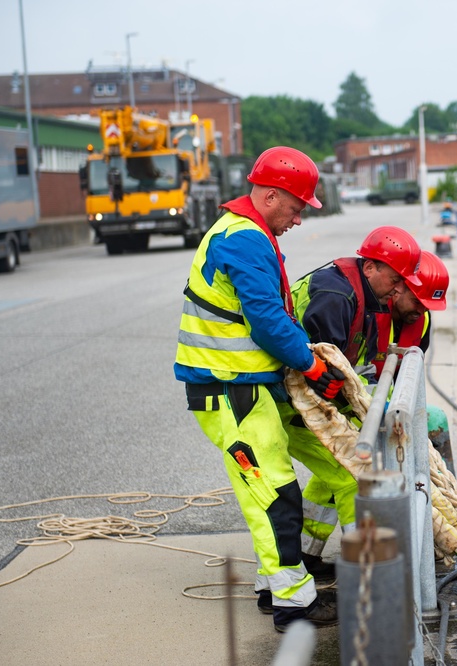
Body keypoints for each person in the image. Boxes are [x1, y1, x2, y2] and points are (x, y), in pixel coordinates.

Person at [173, 146, 346, 634]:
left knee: (267, 494)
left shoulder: (244, 232)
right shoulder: (246, 239)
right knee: (275, 497)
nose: (297, 219)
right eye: (295, 208)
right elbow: (268, 322)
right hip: (229, 391)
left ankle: (275, 587)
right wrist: (313, 366)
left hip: (238, 389)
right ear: (271, 196)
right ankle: (293, 606)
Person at [284, 226, 424, 575]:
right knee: (353, 479)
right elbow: (322, 367)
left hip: (309, 403)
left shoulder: (367, 297)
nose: (398, 289)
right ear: (369, 268)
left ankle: (307, 555)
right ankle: (370, 575)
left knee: (330, 477)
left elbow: (357, 369)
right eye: (394, 279)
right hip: (291, 404)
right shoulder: (335, 297)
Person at [369, 250, 449, 377]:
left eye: (427, 307)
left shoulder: (424, 320)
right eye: (416, 302)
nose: (421, 312)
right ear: (398, 289)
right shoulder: (370, 316)